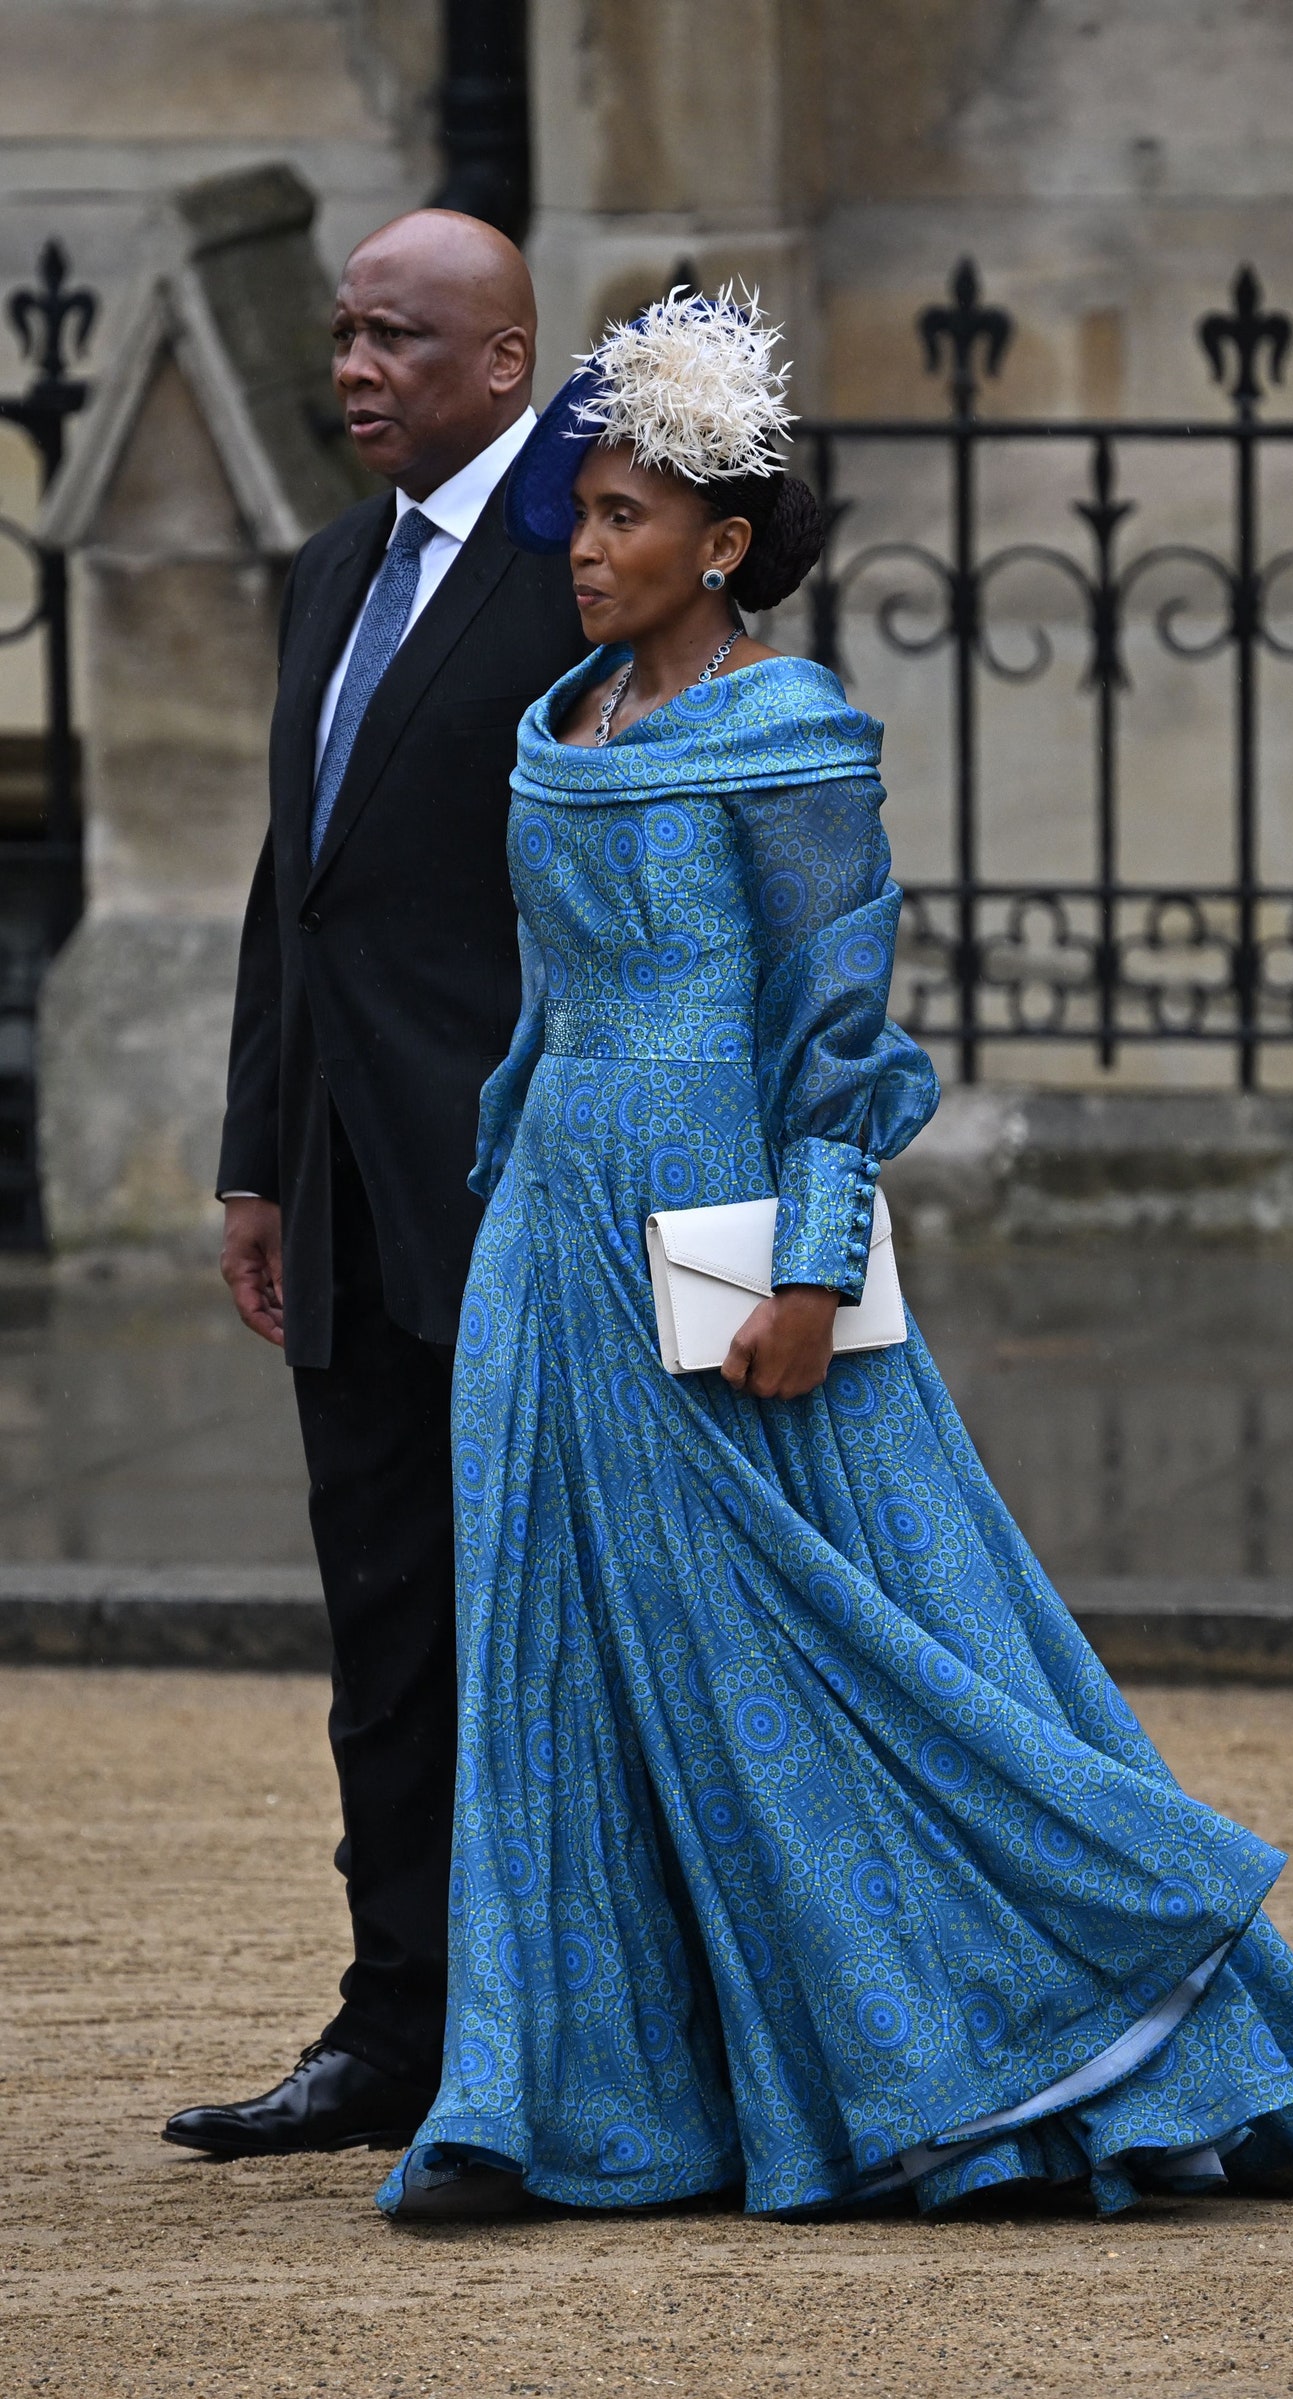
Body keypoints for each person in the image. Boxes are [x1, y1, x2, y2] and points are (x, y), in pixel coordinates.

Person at [381, 291, 1293, 2222]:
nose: (585, 548)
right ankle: (558, 2100)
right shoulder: (567, 720)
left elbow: (840, 1035)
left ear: (722, 543)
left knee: (827, 1649)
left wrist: (810, 1264)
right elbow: (548, 1006)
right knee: (553, 1652)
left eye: (625, 516)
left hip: (715, 1239)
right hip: (550, 1235)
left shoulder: (790, 735)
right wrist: (500, 1192)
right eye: (582, 514)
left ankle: (989, 2056)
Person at [161, 212, 587, 2161]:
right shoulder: (330, 569)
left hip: (526, 1184)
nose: (351, 367)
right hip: (341, 1190)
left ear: (503, 363)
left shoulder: (588, 564)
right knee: (388, 1631)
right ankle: (389, 2033)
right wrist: (257, 1161)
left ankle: (574, 2045)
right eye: (341, 332)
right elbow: (293, 888)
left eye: (395, 339)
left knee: (562, 1632)